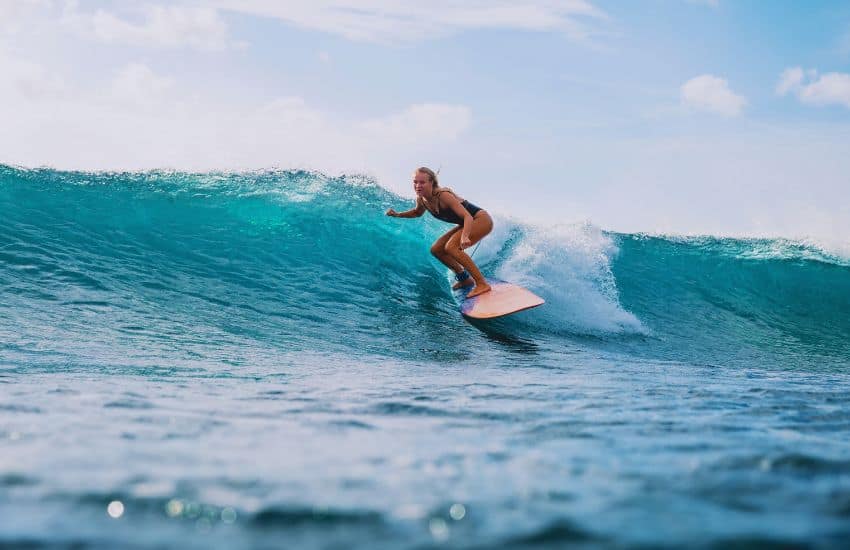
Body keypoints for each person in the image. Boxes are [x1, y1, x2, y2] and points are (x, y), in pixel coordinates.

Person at [386, 167, 493, 298]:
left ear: (432, 182)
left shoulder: (443, 195)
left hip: (480, 220)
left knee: (451, 247)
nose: (418, 186)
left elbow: (467, 216)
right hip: (466, 223)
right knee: (436, 249)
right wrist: (397, 214)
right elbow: (416, 213)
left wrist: (465, 236)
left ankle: (482, 284)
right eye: (415, 182)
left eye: (422, 182)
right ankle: (464, 278)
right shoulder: (422, 199)